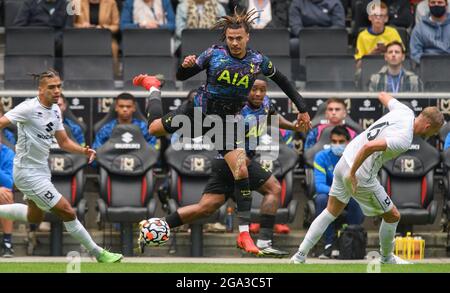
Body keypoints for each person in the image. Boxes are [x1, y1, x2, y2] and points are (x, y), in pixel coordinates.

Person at [134, 8, 310, 251]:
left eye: (239, 38)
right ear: (226, 38)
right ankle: (154, 87)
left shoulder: (258, 60)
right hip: (197, 113)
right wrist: (186, 66)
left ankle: (244, 235)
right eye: (230, 38)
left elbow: (284, 82)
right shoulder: (213, 54)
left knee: (241, 170)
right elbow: (181, 75)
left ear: (248, 36)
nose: (235, 42)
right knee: (153, 129)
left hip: (224, 123)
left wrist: (302, 108)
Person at [291, 92, 444, 264]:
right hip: (359, 173)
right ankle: (386, 258)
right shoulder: (404, 138)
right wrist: (353, 173)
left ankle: (299, 256)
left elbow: (383, 95)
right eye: (433, 131)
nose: (430, 135)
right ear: (427, 125)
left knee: (330, 212)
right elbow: (368, 147)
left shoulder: (404, 111)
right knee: (393, 216)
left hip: (343, 162)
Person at [0, 69, 123, 263]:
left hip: (41, 170)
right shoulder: (27, 108)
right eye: (51, 87)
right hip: (27, 173)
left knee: (34, 217)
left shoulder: (56, 109)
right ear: (40, 89)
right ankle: (98, 253)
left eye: (59, 86)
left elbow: (64, 141)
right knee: (67, 211)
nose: (57, 90)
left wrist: (83, 151)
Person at [242, 76, 304, 235]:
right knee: (208, 205)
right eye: (253, 89)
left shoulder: (265, 103)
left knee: (274, 188)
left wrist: (294, 127)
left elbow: (274, 117)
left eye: (262, 90)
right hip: (229, 160)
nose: (258, 93)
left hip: (247, 161)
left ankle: (264, 240)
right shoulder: (234, 103)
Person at [313, 125, 364, 259]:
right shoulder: (321, 157)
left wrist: (345, 192)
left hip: (350, 195)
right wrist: (339, 192)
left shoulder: (356, 157)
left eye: (341, 142)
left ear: (348, 142)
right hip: (330, 196)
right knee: (321, 199)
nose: (337, 145)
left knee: (356, 198)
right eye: (334, 142)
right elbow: (319, 186)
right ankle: (328, 244)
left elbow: (359, 183)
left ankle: (352, 240)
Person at [93, 93, 157, 150]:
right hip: (112, 162)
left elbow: (153, 149)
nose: (125, 109)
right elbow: (97, 150)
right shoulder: (107, 128)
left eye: (128, 106)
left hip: (139, 161)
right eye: (121, 106)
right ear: (116, 107)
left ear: (134, 108)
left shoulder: (143, 127)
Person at [73, 0, 120, 76]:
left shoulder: (111, 2)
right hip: (82, 38)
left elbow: (116, 26)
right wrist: (82, 26)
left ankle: (112, 76)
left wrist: (103, 27)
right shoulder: (76, 2)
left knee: (113, 47)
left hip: (104, 38)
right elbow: (70, 24)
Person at [355, 1, 403, 69]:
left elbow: (402, 58)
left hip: (390, 68)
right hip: (369, 69)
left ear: (386, 19)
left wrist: (387, 51)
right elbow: (358, 66)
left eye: (381, 15)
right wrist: (371, 55)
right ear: (370, 17)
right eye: (375, 15)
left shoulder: (393, 33)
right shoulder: (362, 36)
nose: (378, 18)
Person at [410, 0, 450, 65]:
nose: (436, 5)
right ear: (428, 5)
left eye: (440, 2)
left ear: (446, 5)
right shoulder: (419, 28)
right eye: (433, 2)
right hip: (426, 67)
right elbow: (415, 53)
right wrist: (427, 65)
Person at [0, 135, 15, 257]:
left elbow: (8, 182)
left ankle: (7, 244)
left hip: (2, 192)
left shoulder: (8, 153)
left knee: (6, 197)